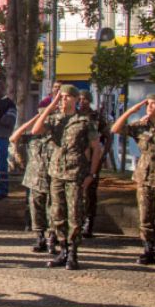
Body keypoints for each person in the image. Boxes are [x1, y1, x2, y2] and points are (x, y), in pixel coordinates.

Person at [30, 85, 101, 270]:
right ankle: (62, 250)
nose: (63, 100)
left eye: (66, 97)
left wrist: (92, 174)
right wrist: (51, 106)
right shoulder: (54, 120)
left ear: (75, 99)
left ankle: (73, 253)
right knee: (57, 214)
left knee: (75, 215)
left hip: (76, 173)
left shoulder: (84, 121)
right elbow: (35, 130)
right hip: (56, 173)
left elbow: (96, 149)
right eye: (61, 97)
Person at [111, 94, 155, 266]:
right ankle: (148, 250)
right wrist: (130, 111)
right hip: (144, 178)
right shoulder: (141, 127)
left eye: (154, 103)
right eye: (148, 103)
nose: (149, 106)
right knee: (145, 218)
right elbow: (115, 129)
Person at [11, 105, 55, 254]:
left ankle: (53, 238)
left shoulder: (55, 137)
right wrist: (34, 118)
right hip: (34, 179)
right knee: (36, 210)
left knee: (53, 210)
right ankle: (40, 237)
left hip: (53, 178)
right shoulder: (32, 137)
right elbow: (13, 138)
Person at [77, 90, 109, 237]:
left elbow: (108, 136)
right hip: (77, 158)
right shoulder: (74, 115)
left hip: (92, 159)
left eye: (85, 99)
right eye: (80, 99)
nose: (82, 101)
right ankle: (77, 220)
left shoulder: (96, 116)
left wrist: (103, 156)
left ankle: (89, 223)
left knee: (90, 191)